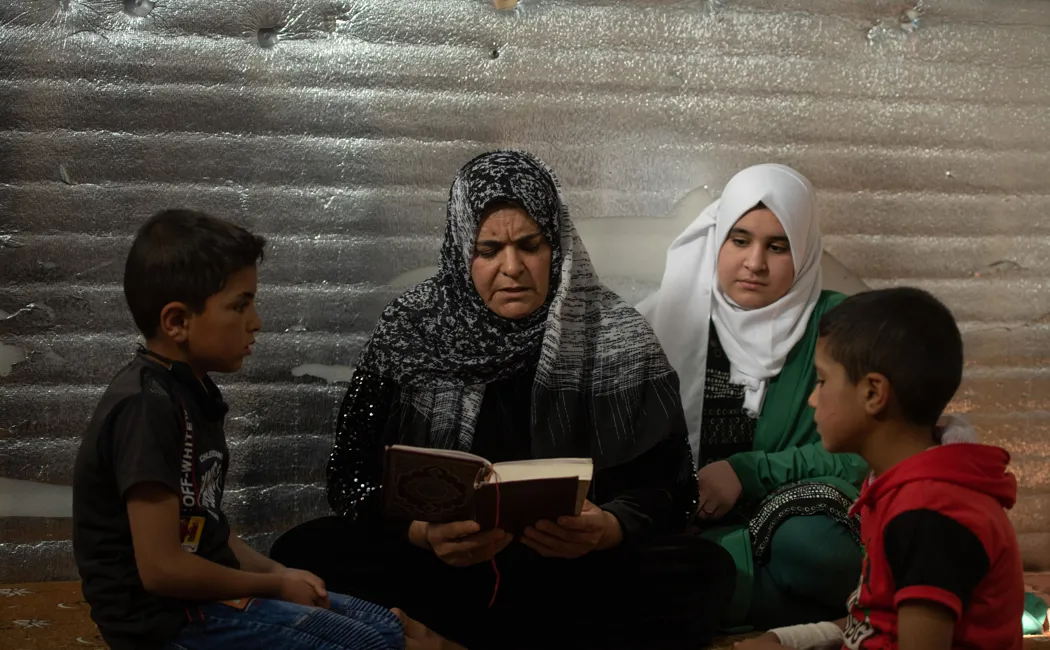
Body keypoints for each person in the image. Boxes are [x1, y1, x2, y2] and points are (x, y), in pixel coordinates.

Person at [269, 150, 736, 650]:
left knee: (705, 570)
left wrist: (611, 527)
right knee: (304, 550)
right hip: (442, 567)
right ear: (460, 250)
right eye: (488, 249)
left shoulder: (615, 333)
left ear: (555, 246)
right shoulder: (411, 329)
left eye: (528, 245)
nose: (511, 268)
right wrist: (422, 533)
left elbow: (672, 487)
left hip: (568, 573)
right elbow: (350, 478)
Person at [71, 209, 451, 650]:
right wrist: (269, 588)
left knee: (384, 627)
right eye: (240, 305)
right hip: (166, 624)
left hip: (203, 605)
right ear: (177, 321)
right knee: (374, 645)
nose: (257, 321)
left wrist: (276, 572)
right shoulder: (147, 407)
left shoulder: (191, 393)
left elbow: (209, 529)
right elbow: (162, 569)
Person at [637, 163, 869, 630]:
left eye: (777, 246)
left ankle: (715, 600)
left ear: (803, 251)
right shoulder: (665, 321)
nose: (755, 262)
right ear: (717, 238)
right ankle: (815, 620)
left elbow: (865, 455)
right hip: (680, 527)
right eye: (740, 240)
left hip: (790, 529)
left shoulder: (840, 326)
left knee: (819, 547)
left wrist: (747, 472)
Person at [736, 287, 1024, 650]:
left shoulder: (930, 513)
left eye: (822, 381)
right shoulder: (901, 491)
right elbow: (876, 621)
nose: (812, 399)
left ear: (873, 393)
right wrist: (787, 640)